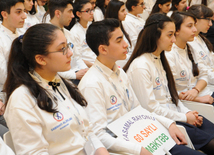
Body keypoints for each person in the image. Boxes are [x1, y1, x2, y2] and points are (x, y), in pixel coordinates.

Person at [78, 18, 205, 155]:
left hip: (144, 136)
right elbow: (99, 135)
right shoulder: (92, 84)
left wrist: (169, 124)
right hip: (125, 147)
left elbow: (139, 111)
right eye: (119, 40)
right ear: (103, 49)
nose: (126, 44)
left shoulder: (119, 72)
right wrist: (138, 150)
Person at [4, 23, 109, 155]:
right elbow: (34, 152)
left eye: (68, 46)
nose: (70, 53)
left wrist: (101, 150)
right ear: (41, 59)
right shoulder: (21, 99)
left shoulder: (57, 81)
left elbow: (86, 131)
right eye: (62, 49)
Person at [124, 13, 214, 155]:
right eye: (170, 35)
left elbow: (172, 97)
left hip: (175, 115)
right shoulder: (141, 65)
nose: (173, 39)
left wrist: (187, 112)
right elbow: (150, 109)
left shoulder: (159, 59)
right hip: (161, 122)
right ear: (155, 35)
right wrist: (185, 117)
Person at [165, 11, 214, 104]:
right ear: (177, 30)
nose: (195, 30)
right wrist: (197, 98)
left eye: (194, 26)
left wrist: (195, 90)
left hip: (204, 93)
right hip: (188, 102)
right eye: (190, 26)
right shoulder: (169, 54)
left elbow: (204, 75)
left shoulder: (191, 48)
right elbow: (168, 91)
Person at [0, 0, 27, 134]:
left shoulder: (22, 34)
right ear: (4, 14)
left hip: (26, 87)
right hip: (8, 96)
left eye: (24, 11)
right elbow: (5, 76)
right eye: (18, 12)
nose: (24, 16)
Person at [48, 0, 88, 86]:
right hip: (58, 80)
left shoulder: (69, 34)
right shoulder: (45, 36)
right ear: (58, 13)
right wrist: (74, 75)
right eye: (69, 11)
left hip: (75, 75)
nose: (73, 16)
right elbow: (50, 67)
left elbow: (77, 57)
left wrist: (85, 70)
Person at [187, 5, 214, 84]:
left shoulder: (201, 38)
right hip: (205, 86)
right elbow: (203, 73)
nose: (210, 24)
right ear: (195, 20)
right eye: (208, 20)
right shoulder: (189, 42)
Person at [69, 0, 97, 67]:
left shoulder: (91, 26)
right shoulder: (74, 32)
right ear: (79, 14)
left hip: (96, 61)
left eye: (92, 10)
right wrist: (94, 66)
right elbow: (77, 58)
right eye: (87, 11)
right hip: (86, 66)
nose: (92, 13)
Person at [105, 0, 132, 68]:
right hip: (119, 63)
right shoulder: (109, 30)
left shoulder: (122, 25)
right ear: (114, 12)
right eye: (122, 11)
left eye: (125, 10)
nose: (126, 13)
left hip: (126, 59)